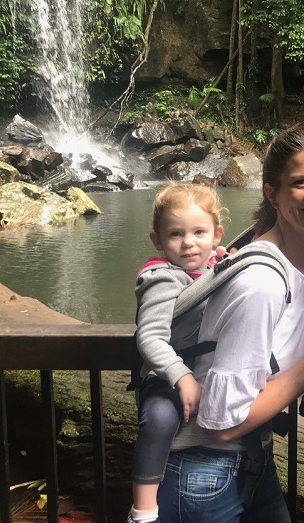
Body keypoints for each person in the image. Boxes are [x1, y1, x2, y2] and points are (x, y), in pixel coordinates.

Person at [157, 124, 304, 523]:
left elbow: (276, 356)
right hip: (203, 472)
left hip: (251, 460)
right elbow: (221, 423)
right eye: (301, 182)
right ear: (272, 193)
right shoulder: (261, 282)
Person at [128, 183, 225, 523]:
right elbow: (151, 337)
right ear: (158, 240)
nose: (188, 243)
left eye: (199, 232)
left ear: (216, 235)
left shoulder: (213, 263)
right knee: (159, 419)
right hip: (167, 375)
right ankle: (143, 509)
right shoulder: (163, 279)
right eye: (176, 234)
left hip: (203, 369)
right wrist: (180, 376)